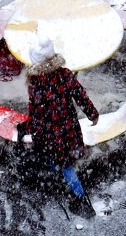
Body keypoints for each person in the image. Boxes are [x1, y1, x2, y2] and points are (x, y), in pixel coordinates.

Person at [22, 50, 99, 199]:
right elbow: (80, 95)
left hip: (50, 133)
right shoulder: (65, 74)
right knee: (66, 158)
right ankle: (62, 173)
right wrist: (92, 114)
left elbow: (36, 113)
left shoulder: (36, 84)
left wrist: (35, 134)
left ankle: (81, 197)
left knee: (62, 163)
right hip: (68, 127)